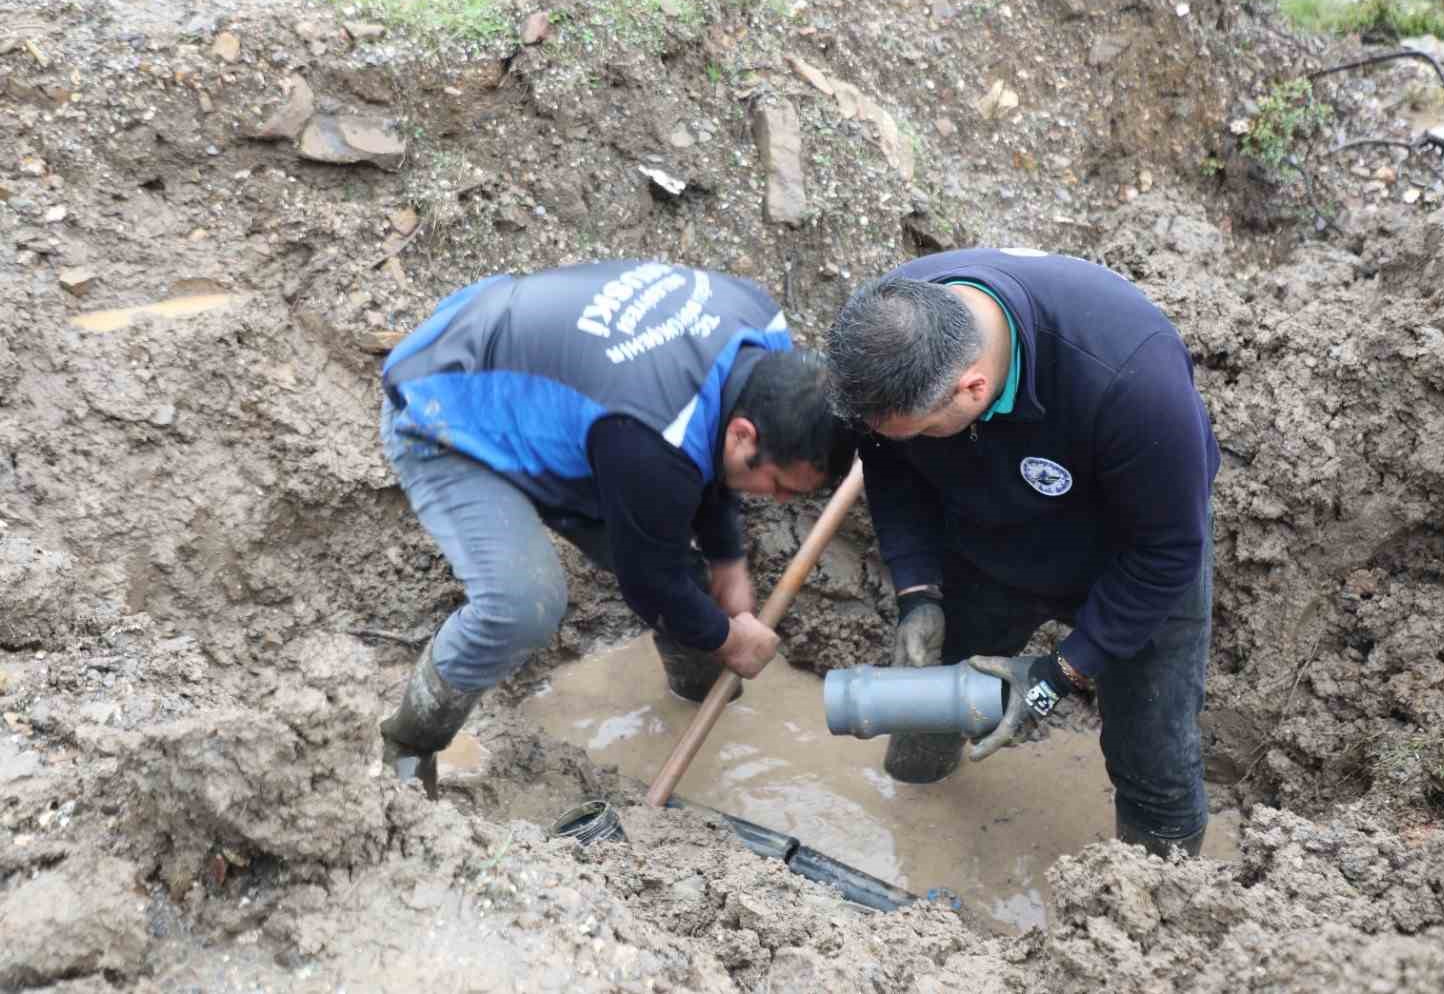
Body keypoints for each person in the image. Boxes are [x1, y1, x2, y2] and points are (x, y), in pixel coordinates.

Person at [378, 260, 858, 797]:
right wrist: (726, 638)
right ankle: (409, 748)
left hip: (550, 378)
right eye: (780, 486)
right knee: (523, 605)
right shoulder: (648, 439)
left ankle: (694, 699)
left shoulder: (764, 333)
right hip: (447, 408)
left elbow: (703, 434)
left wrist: (727, 558)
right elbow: (648, 579)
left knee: (692, 584)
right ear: (746, 436)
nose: (782, 501)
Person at [825, 248, 1219, 858]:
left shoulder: (1131, 381)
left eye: (922, 430)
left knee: (1154, 760)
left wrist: (1054, 676)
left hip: (1131, 557)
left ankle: (1158, 910)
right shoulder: (891, 326)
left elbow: (1167, 552)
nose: (905, 442)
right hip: (988, 537)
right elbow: (891, 472)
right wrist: (918, 591)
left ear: (972, 388)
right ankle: (912, 835)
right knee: (928, 706)